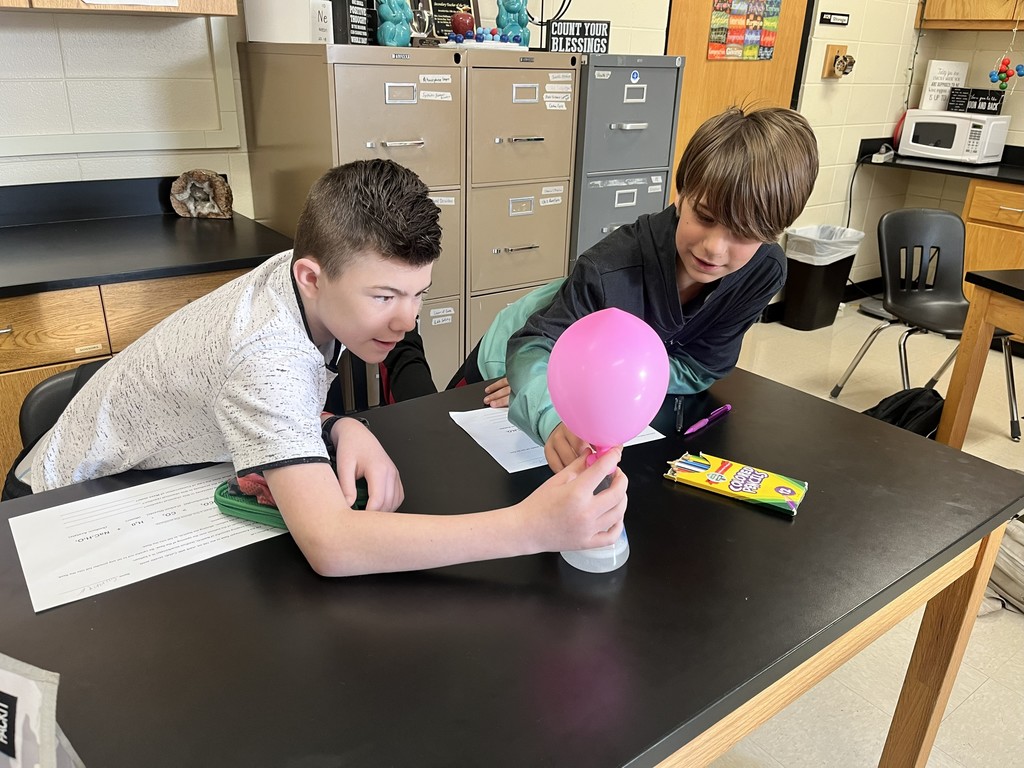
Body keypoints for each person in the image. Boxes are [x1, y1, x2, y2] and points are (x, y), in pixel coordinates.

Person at [11, 159, 628, 576]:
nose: (406, 321)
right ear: (312, 275)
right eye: (384, 297)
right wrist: (531, 528)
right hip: (62, 511)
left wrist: (336, 425)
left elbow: (256, 394)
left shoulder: (306, 274)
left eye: (418, 293)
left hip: (161, 472)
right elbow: (331, 546)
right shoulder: (265, 350)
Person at [448, 106, 819, 471]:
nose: (714, 248)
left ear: (772, 233)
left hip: (578, 378)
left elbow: (700, 368)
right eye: (704, 217)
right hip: (511, 357)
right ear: (681, 193)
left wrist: (593, 387)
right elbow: (532, 347)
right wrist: (547, 397)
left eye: (744, 233)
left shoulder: (762, 272)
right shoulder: (609, 267)